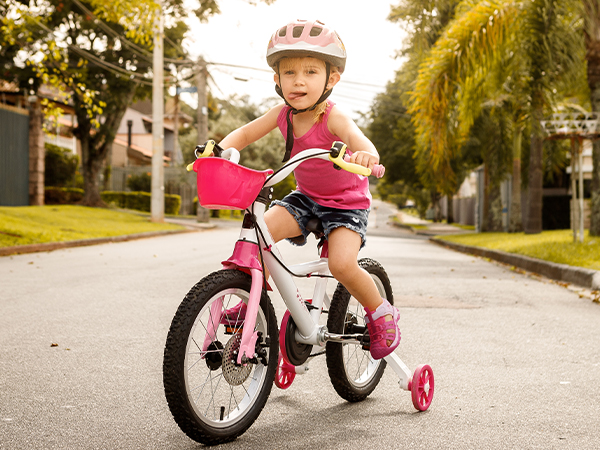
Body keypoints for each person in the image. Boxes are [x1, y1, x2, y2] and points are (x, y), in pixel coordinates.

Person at [218, 19, 400, 360]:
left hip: (346, 205)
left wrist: (364, 155)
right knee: (258, 236)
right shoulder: (281, 115)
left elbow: (364, 145)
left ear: (331, 78)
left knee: (341, 265)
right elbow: (242, 135)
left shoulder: (333, 118)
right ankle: (250, 306)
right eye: (289, 73)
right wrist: (217, 151)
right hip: (306, 200)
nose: (298, 80)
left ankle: (381, 312)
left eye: (311, 72)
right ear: (277, 80)